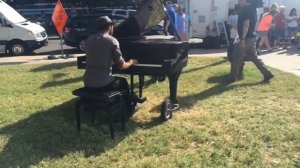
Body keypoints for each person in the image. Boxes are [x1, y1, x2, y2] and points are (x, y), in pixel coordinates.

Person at [83, 16, 138, 116]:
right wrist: (131, 62)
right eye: (113, 26)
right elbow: (121, 66)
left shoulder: (89, 39)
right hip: (102, 85)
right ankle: (129, 109)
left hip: (87, 81)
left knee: (113, 79)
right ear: (109, 27)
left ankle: (92, 105)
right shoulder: (112, 41)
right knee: (123, 82)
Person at [230, 0, 274, 83]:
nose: (238, 2)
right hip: (252, 37)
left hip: (245, 38)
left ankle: (232, 78)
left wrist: (242, 39)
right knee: (254, 58)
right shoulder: (254, 9)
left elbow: (246, 24)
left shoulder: (245, 9)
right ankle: (267, 73)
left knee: (236, 58)